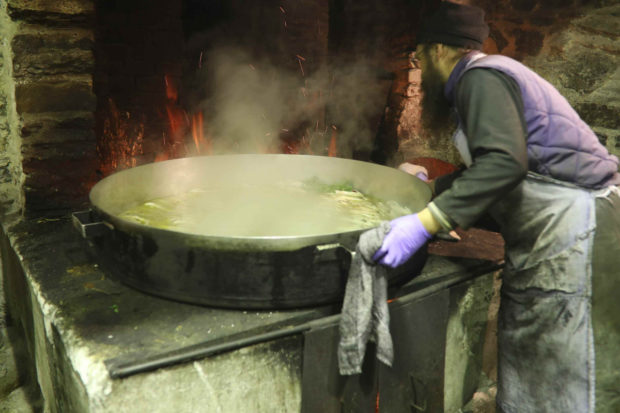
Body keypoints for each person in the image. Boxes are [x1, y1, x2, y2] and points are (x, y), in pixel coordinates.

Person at [371, 2, 620, 412]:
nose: (420, 68)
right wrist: (426, 190)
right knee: (543, 372)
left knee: (561, 380)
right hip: (558, 235)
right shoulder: (492, 77)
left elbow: (505, 164)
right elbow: (505, 169)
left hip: (574, 238)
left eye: (420, 56)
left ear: (438, 50)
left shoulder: (480, 78)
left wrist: (424, 223)